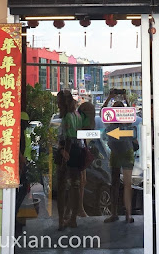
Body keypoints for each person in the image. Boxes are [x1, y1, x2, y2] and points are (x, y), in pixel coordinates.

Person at [103, 89, 135, 223]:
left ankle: (121, 213)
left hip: (121, 152)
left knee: (118, 184)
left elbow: (104, 110)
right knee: (122, 184)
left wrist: (111, 98)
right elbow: (104, 111)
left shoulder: (118, 122)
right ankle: (124, 214)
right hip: (122, 152)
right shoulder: (122, 122)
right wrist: (122, 98)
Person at [56, 89, 83, 230]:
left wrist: (63, 154)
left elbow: (68, 138)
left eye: (59, 102)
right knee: (75, 186)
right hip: (77, 151)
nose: (57, 105)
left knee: (61, 187)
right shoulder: (77, 115)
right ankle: (73, 219)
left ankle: (61, 220)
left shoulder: (67, 116)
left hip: (67, 151)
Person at [77, 101, 96, 218]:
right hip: (78, 152)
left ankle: (79, 209)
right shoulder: (80, 123)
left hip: (80, 151)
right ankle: (79, 209)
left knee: (82, 181)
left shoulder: (80, 122)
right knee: (80, 181)